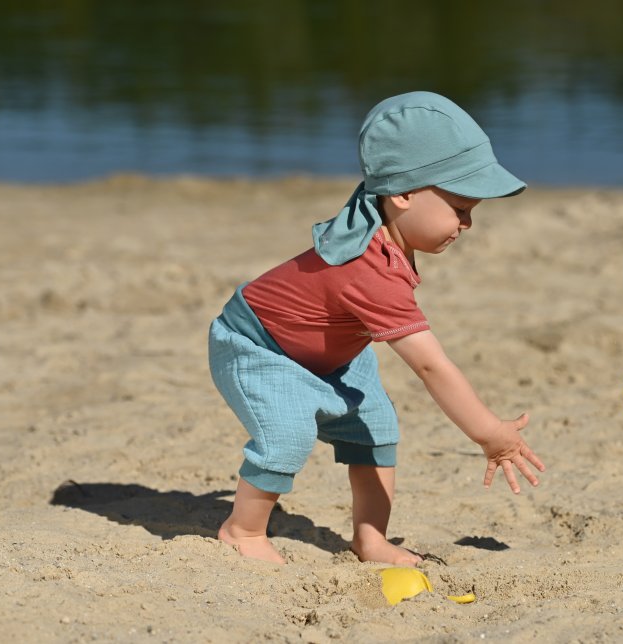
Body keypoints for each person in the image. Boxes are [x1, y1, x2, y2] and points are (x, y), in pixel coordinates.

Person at [208, 91, 546, 565]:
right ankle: (242, 531)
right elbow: (430, 365)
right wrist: (489, 432)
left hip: (333, 350)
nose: (467, 224)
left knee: (376, 429)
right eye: (460, 208)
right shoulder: (368, 270)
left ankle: (370, 539)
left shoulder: (385, 227)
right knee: (286, 436)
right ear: (404, 195)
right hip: (258, 345)